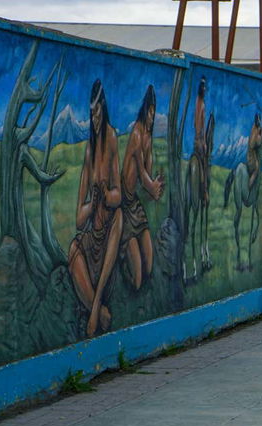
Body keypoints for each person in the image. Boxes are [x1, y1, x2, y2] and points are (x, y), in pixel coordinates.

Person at [68, 80, 124, 337]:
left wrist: (105, 196)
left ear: (103, 108)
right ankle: (98, 311)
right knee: (73, 250)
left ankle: (95, 301)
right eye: (91, 115)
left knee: (119, 218)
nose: (94, 119)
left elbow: (118, 195)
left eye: (97, 113)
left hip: (109, 230)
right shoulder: (90, 150)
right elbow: (79, 220)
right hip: (93, 236)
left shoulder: (111, 138)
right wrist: (92, 204)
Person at [120, 85, 164, 290]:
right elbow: (142, 176)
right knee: (137, 280)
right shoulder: (137, 134)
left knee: (149, 266)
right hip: (124, 205)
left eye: (154, 113)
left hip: (135, 205)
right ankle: (121, 261)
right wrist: (152, 186)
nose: (152, 117)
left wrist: (155, 184)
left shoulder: (147, 136)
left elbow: (148, 170)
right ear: (144, 110)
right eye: (150, 112)